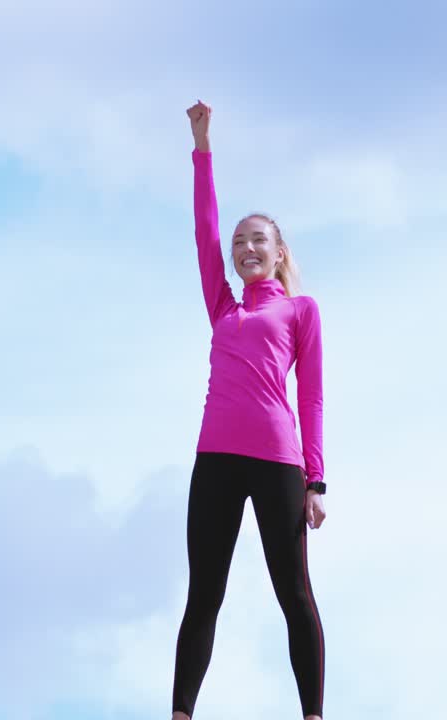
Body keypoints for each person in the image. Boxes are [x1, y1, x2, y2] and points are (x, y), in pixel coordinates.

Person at [170, 100, 327, 720]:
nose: (244, 249)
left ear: (279, 250)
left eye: (257, 240)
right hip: (215, 459)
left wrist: (315, 479)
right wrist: (202, 147)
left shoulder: (300, 311)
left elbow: (311, 397)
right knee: (204, 593)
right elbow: (204, 229)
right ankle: (181, 712)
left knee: (293, 592)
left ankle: (313, 714)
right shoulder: (224, 307)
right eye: (240, 243)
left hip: (277, 463)